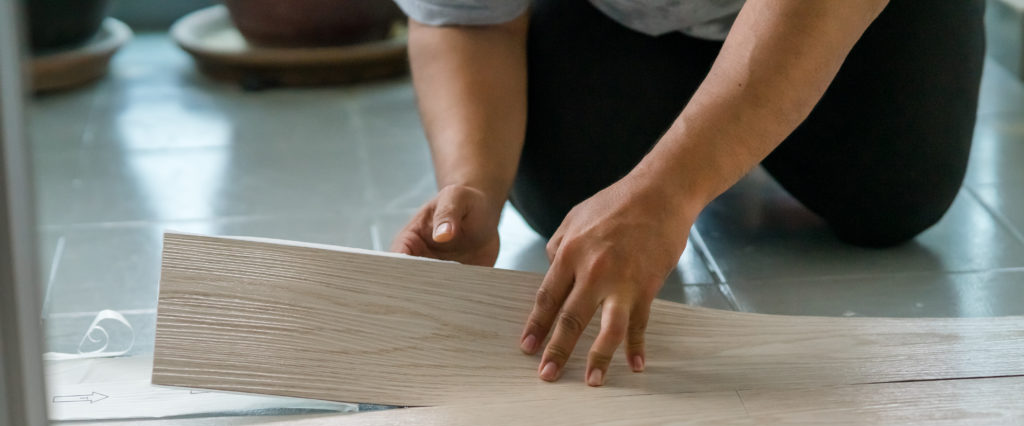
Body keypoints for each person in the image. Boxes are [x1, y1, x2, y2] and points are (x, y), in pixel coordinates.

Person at [388, 0, 985, 387]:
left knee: (894, 195)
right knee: (565, 204)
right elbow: (463, 14)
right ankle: (708, 128)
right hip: (614, 21)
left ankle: (726, 139)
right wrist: (474, 183)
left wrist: (669, 190)